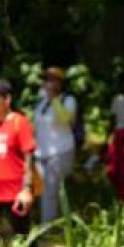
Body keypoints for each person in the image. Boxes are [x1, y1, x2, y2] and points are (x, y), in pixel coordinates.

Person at [0, 79, 38, 247]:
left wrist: (26, 189)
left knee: (26, 240)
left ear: (7, 99)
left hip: (15, 194)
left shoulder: (20, 122)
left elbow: (29, 158)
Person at [33, 67, 77, 222]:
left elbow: (66, 121)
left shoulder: (68, 100)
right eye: (47, 79)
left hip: (60, 151)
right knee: (39, 190)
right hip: (41, 153)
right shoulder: (42, 100)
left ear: (61, 82)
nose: (49, 83)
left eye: (53, 79)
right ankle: (51, 221)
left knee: (49, 191)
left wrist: (54, 99)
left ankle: (47, 228)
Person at [106, 72, 124, 202]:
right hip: (118, 134)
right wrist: (110, 137)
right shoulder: (117, 100)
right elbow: (113, 119)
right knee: (114, 168)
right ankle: (120, 195)